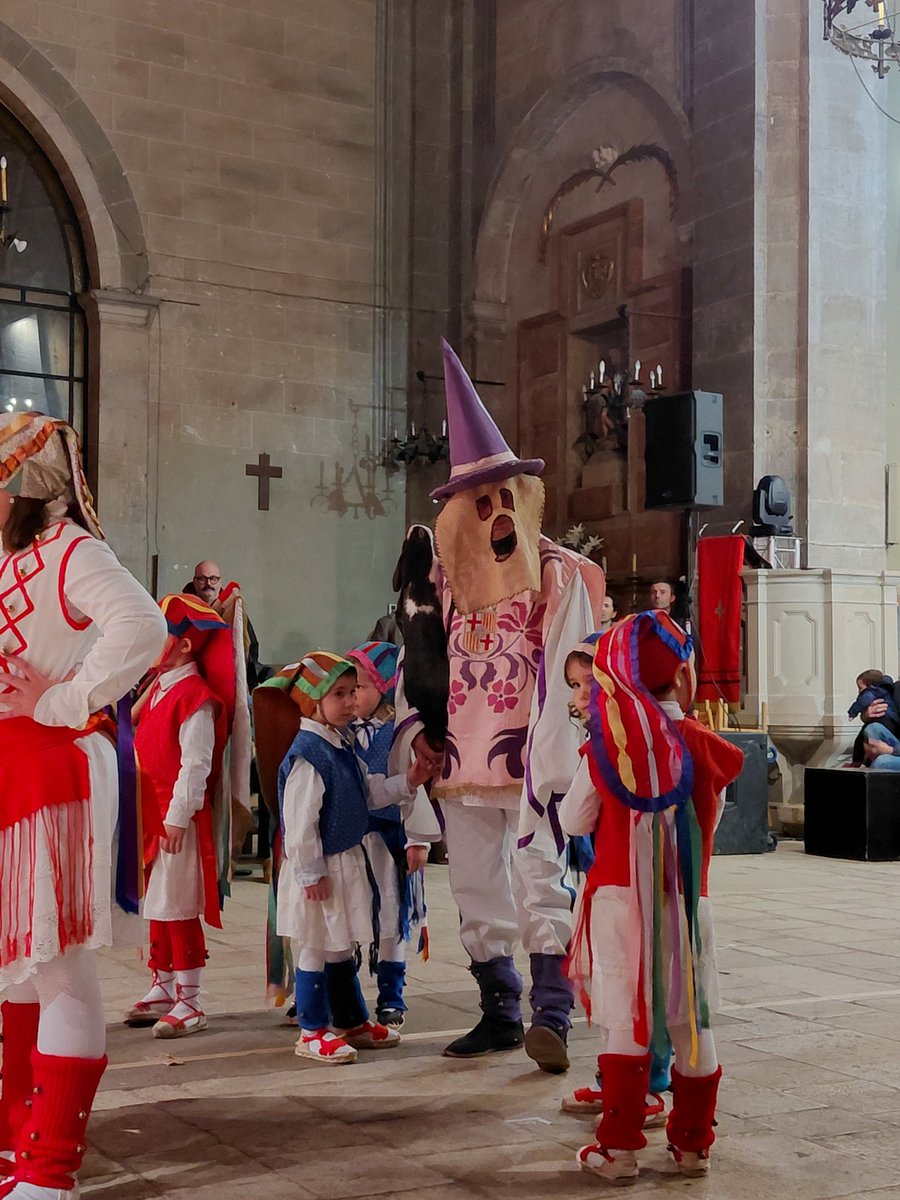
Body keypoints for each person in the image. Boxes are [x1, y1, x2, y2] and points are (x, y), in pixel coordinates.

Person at [393, 339, 605, 1073]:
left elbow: (570, 669)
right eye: (476, 502)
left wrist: (554, 761)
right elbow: (419, 660)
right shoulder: (444, 583)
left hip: (528, 757)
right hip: (462, 760)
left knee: (537, 872)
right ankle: (497, 1009)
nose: (493, 514)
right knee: (477, 884)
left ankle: (551, 1013)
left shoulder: (557, 576)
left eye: (503, 496)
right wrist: (420, 733)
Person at [0, 412, 167, 1200]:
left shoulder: (73, 551)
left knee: (59, 968)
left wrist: (66, 699)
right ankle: (15, 1143)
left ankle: (51, 1166)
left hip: (49, 772)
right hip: (8, 771)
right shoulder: (13, 557)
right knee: (16, 974)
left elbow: (143, 625)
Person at [562, 611, 744, 1184]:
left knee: (627, 1019)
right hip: (689, 907)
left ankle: (617, 1150)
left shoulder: (608, 748)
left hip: (622, 906)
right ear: (679, 676)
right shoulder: (700, 742)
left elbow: (572, 818)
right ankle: (693, 1146)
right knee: (694, 1019)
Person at [276, 652, 433, 1064]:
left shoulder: (339, 744)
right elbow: (300, 822)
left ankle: (350, 1019)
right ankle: (312, 1029)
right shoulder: (309, 754)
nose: (350, 702)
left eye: (352, 692)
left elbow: (368, 793)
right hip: (319, 867)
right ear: (313, 703)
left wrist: (409, 781)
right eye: (339, 694)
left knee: (339, 944)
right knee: (315, 944)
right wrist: (310, 873)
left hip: (343, 863)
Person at [557, 640, 669, 1126]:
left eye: (591, 684)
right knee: (666, 989)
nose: (582, 696)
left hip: (619, 889)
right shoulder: (678, 738)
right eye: (576, 687)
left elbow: (574, 819)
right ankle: (653, 1092)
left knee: (622, 995)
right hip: (678, 893)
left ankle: (630, 1098)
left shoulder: (604, 748)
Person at [125, 595, 238, 1038]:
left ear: (184, 645)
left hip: (176, 820)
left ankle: (190, 1000)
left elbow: (196, 764)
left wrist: (177, 816)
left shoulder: (196, 698)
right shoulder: (158, 691)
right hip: (149, 817)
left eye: (159, 634)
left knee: (177, 907)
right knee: (156, 905)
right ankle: (162, 984)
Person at [347, 641, 438, 1028]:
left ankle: (391, 997)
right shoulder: (341, 732)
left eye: (360, 688)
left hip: (388, 842)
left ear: (384, 688)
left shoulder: (398, 736)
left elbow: (415, 788)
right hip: (348, 842)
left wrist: (418, 840)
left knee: (390, 918)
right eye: (346, 689)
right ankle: (335, 990)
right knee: (346, 916)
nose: (352, 698)